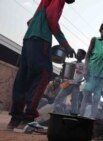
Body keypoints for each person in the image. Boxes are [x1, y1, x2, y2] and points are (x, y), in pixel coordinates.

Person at [7, 0, 76, 131]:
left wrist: (37, 27)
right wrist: (65, 44)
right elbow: (51, 18)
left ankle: (15, 119)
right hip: (41, 41)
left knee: (24, 79)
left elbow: (30, 22)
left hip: (28, 40)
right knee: (44, 73)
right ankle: (28, 118)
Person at [79, 22, 103, 119]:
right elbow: (88, 54)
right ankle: (81, 116)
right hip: (91, 73)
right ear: (101, 30)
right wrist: (85, 69)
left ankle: (92, 119)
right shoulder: (95, 40)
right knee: (86, 96)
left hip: (101, 77)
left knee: (96, 99)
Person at [53, 49, 86, 115]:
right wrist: (63, 74)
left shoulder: (84, 65)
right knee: (59, 97)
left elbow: (87, 77)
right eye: (77, 53)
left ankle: (74, 114)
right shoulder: (72, 63)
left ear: (83, 57)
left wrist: (80, 82)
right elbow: (65, 73)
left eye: (80, 53)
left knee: (74, 101)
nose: (78, 54)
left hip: (76, 85)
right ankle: (55, 111)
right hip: (68, 83)